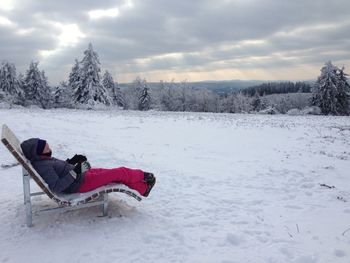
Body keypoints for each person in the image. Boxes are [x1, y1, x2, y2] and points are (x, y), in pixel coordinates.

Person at [20, 138, 156, 197]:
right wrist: (76, 171)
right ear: (37, 152)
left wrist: (72, 162)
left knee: (115, 175)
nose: (49, 148)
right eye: (46, 147)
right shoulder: (43, 166)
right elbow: (56, 186)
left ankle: (143, 187)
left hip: (82, 176)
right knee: (119, 172)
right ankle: (144, 177)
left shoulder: (43, 160)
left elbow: (59, 171)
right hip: (81, 184)